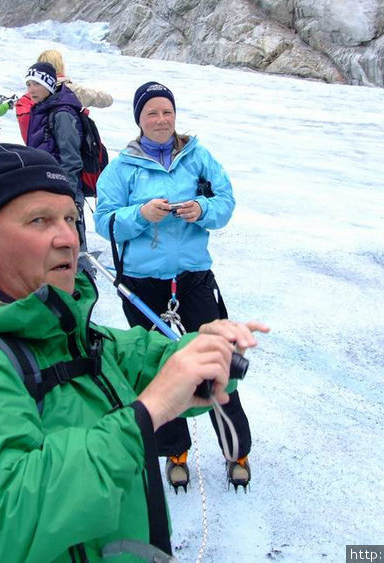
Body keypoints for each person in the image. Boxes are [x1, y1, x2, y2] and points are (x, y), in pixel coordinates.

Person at [0, 143, 267, 561]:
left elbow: (147, 357)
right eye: (40, 220)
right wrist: (147, 413)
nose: (69, 239)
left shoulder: (70, 332)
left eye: (72, 219)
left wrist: (209, 350)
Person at [93, 81, 253, 491]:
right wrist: (141, 214)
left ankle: (237, 451)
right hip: (143, 286)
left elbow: (226, 203)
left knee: (216, 364)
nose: (161, 120)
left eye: (167, 112)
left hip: (194, 280)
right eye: (152, 113)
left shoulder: (198, 157)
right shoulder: (121, 168)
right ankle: (175, 452)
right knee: (158, 371)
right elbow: (105, 222)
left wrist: (202, 209)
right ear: (139, 120)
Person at [23, 61, 88, 244]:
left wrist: (69, 197)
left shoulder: (62, 114)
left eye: (36, 84)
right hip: (45, 187)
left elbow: (72, 160)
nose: (31, 89)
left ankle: (80, 271)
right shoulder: (41, 109)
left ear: (50, 85)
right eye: (28, 84)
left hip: (62, 190)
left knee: (69, 244)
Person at [15, 49, 113, 142]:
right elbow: (107, 99)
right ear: (60, 65)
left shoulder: (32, 94)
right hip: (65, 149)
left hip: (38, 150)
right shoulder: (71, 90)